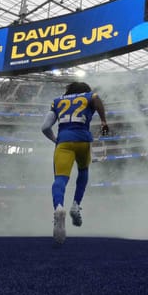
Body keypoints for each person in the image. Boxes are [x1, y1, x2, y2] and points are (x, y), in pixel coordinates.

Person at [41, 81, 109, 244]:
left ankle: (58, 208)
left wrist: (55, 140)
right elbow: (96, 98)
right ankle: (76, 205)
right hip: (83, 141)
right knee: (83, 171)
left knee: (60, 179)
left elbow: (44, 127)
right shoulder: (88, 96)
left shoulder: (57, 101)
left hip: (64, 142)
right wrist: (103, 121)